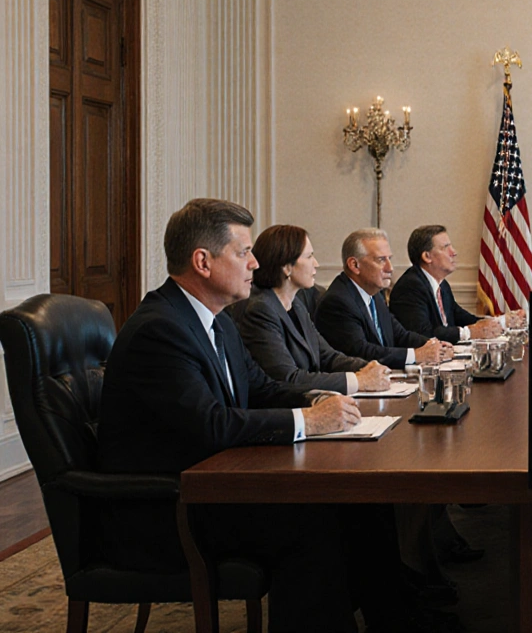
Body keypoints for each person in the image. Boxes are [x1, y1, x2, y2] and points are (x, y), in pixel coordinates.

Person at [96, 199, 420, 633]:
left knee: (360, 506)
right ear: (203, 262)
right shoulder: (162, 329)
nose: (254, 263)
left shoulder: (217, 320)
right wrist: (310, 421)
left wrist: (326, 401)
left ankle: (395, 619)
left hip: (214, 484)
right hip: (169, 509)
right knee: (316, 522)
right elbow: (213, 423)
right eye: (243, 252)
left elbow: (262, 389)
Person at [233, 224, 392, 394]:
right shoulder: (261, 310)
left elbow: (327, 356)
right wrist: (358, 381)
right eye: (309, 257)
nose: (316, 264)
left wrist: (369, 367)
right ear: (287, 266)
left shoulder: (297, 305)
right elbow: (288, 377)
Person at [314, 228, 449, 369]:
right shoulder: (338, 301)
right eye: (381, 260)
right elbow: (361, 352)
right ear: (354, 265)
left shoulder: (374, 294)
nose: (390, 268)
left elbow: (400, 335)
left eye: (389, 259)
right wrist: (416, 355)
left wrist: (434, 345)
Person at [389, 224, 522, 343]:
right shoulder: (410, 286)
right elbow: (423, 334)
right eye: (446, 247)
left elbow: (463, 317)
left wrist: (502, 322)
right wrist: (470, 332)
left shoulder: (442, 285)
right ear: (427, 257)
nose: (454, 252)